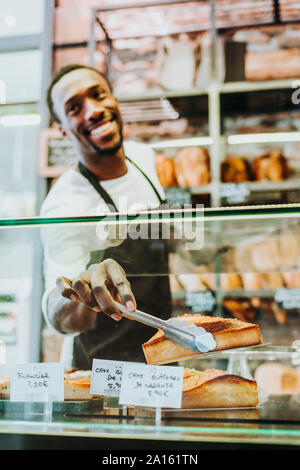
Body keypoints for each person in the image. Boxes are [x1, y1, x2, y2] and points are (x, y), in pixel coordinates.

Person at [41, 64, 172, 369]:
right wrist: (79, 291)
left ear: (114, 99)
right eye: (74, 108)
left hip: (161, 348)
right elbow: (55, 313)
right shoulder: (65, 205)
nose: (93, 111)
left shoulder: (143, 157)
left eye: (98, 95)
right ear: (62, 129)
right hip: (102, 368)